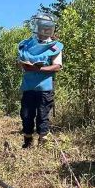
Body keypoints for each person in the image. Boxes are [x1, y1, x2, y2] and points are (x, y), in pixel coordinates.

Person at [17, 13, 62, 149]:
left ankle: (43, 142)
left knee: (43, 115)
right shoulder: (26, 45)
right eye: (43, 28)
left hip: (45, 88)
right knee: (26, 115)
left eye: (47, 28)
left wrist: (39, 69)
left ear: (51, 29)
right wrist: (23, 65)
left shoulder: (55, 46)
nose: (45, 31)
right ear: (37, 27)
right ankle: (28, 141)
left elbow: (57, 66)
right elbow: (19, 62)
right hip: (28, 86)